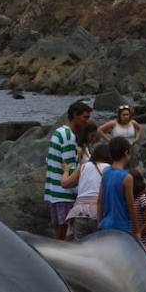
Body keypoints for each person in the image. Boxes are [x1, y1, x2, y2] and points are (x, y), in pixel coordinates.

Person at [45, 101, 93, 240]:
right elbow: (70, 168)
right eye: (85, 117)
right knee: (63, 238)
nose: (86, 121)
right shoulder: (68, 136)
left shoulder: (59, 131)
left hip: (53, 191)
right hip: (63, 194)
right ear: (74, 115)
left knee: (59, 235)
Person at [97, 137, 146, 239]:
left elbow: (100, 201)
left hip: (105, 224)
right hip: (121, 226)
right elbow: (131, 205)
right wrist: (137, 231)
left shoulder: (106, 172)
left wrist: (99, 222)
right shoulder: (127, 177)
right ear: (126, 152)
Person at [67, 142, 109, 241]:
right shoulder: (109, 168)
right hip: (98, 213)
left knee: (80, 247)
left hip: (79, 212)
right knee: (98, 245)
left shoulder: (84, 166)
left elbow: (66, 184)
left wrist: (65, 171)